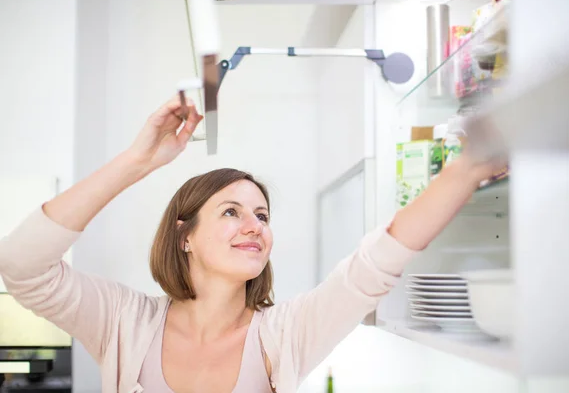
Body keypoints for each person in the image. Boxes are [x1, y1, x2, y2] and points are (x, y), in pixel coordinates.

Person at [0, 95, 503, 393]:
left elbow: (375, 264)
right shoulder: (122, 322)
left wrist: (468, 168)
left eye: (262, 215)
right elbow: (22, 266)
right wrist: (138, 161)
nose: (255, 226)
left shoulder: (285, 334)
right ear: (185, 237)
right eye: (231, 212)